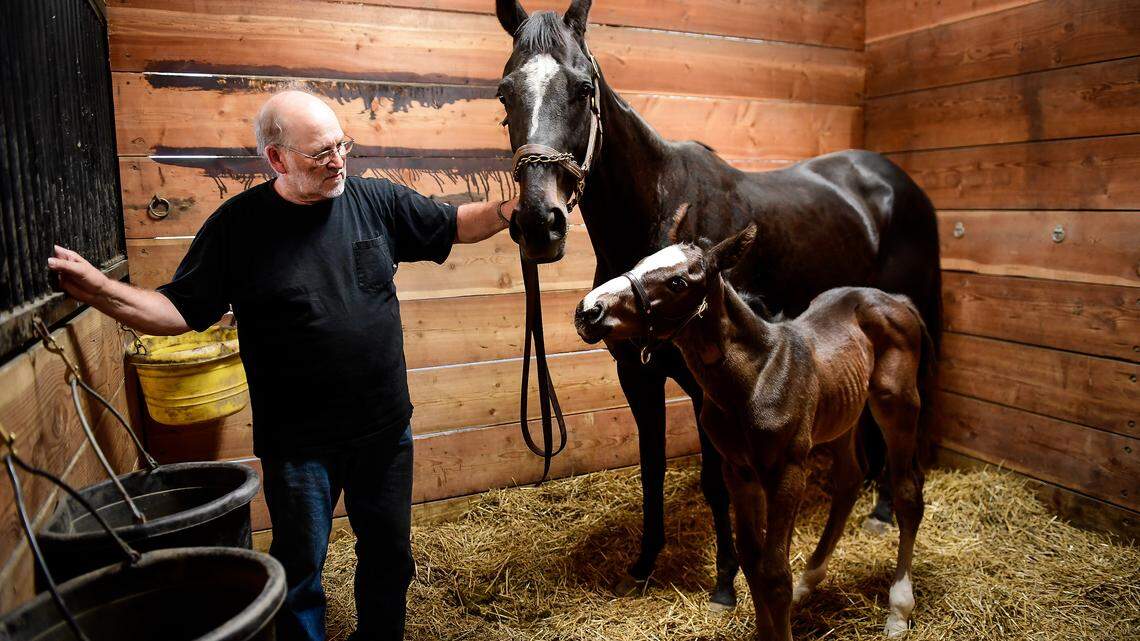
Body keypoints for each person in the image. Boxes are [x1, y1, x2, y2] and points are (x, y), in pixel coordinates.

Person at [47, 89, 519, 641]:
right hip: (299, 447)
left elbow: (458, 222)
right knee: (300, 570)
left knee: (390, 556)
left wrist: (517, 208)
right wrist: (102, 291)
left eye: (342, 145)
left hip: (385, 433)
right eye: (321, 153)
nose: (338, 161)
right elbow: (177, 309)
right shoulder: (238, 228)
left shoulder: (375, 202)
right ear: (277, 159)